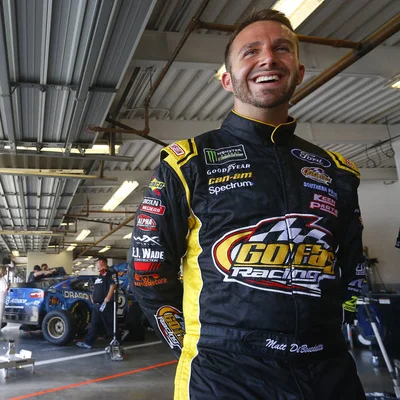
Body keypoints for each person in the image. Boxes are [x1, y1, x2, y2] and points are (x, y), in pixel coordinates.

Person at [128, 9, 366, 400]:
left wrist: (329, 331)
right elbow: (147, 273)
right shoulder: (188, 162)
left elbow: (353, 272)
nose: (268, 58)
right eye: (250, 51)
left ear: (299, 71)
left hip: (329, 374)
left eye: (282, 49)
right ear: (226, 79)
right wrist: (194, 347)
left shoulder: (338, 171)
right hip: (223, 379)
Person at [77, 256, 121, 349]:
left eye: (97, 262)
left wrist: (108, 297)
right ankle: (88, 342)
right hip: (97, 305)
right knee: (94, 323)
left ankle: (117, 342)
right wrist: (93, 297)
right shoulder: (100, 275)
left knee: (110, 323)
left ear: (101, 262)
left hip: (107, 304)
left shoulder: (110, 272)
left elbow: (113, 284)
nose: (96, 264)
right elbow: (98, 287)